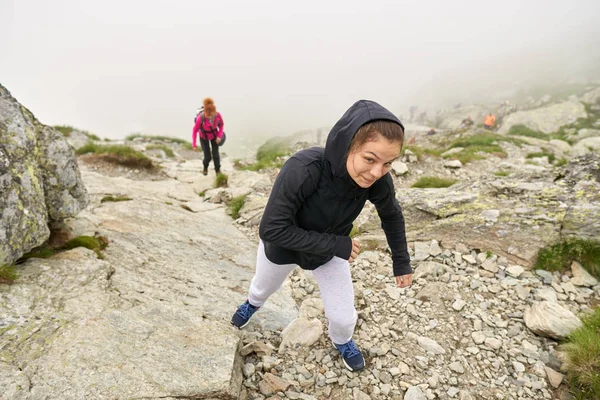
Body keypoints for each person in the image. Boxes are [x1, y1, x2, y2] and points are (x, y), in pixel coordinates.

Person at [230, 100, 413, 372]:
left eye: (388, 163)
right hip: (285, 248)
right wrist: (336, 244)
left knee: (342, 318)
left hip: (330, 252)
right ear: (349, 144)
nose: (377, 172)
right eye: (370, 159)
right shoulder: (304, 168)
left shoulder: (377, 180)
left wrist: (401, 261)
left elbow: (392, 215)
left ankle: (343, 341)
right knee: (262, 288)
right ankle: (252, 304)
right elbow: (271, 229)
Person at [192, 97, 224, 175]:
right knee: (207, 156)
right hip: (204, 137)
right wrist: (194, 144)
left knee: (216, 154)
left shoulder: (218, 115)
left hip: (214, 136)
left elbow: (221, 125)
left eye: (212, 115)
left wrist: (219, 136)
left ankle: (218, 171)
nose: (211, 117)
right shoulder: (200, 118)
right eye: (209, 116)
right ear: (205, 112)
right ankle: (205, 167)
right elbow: (194, 131)